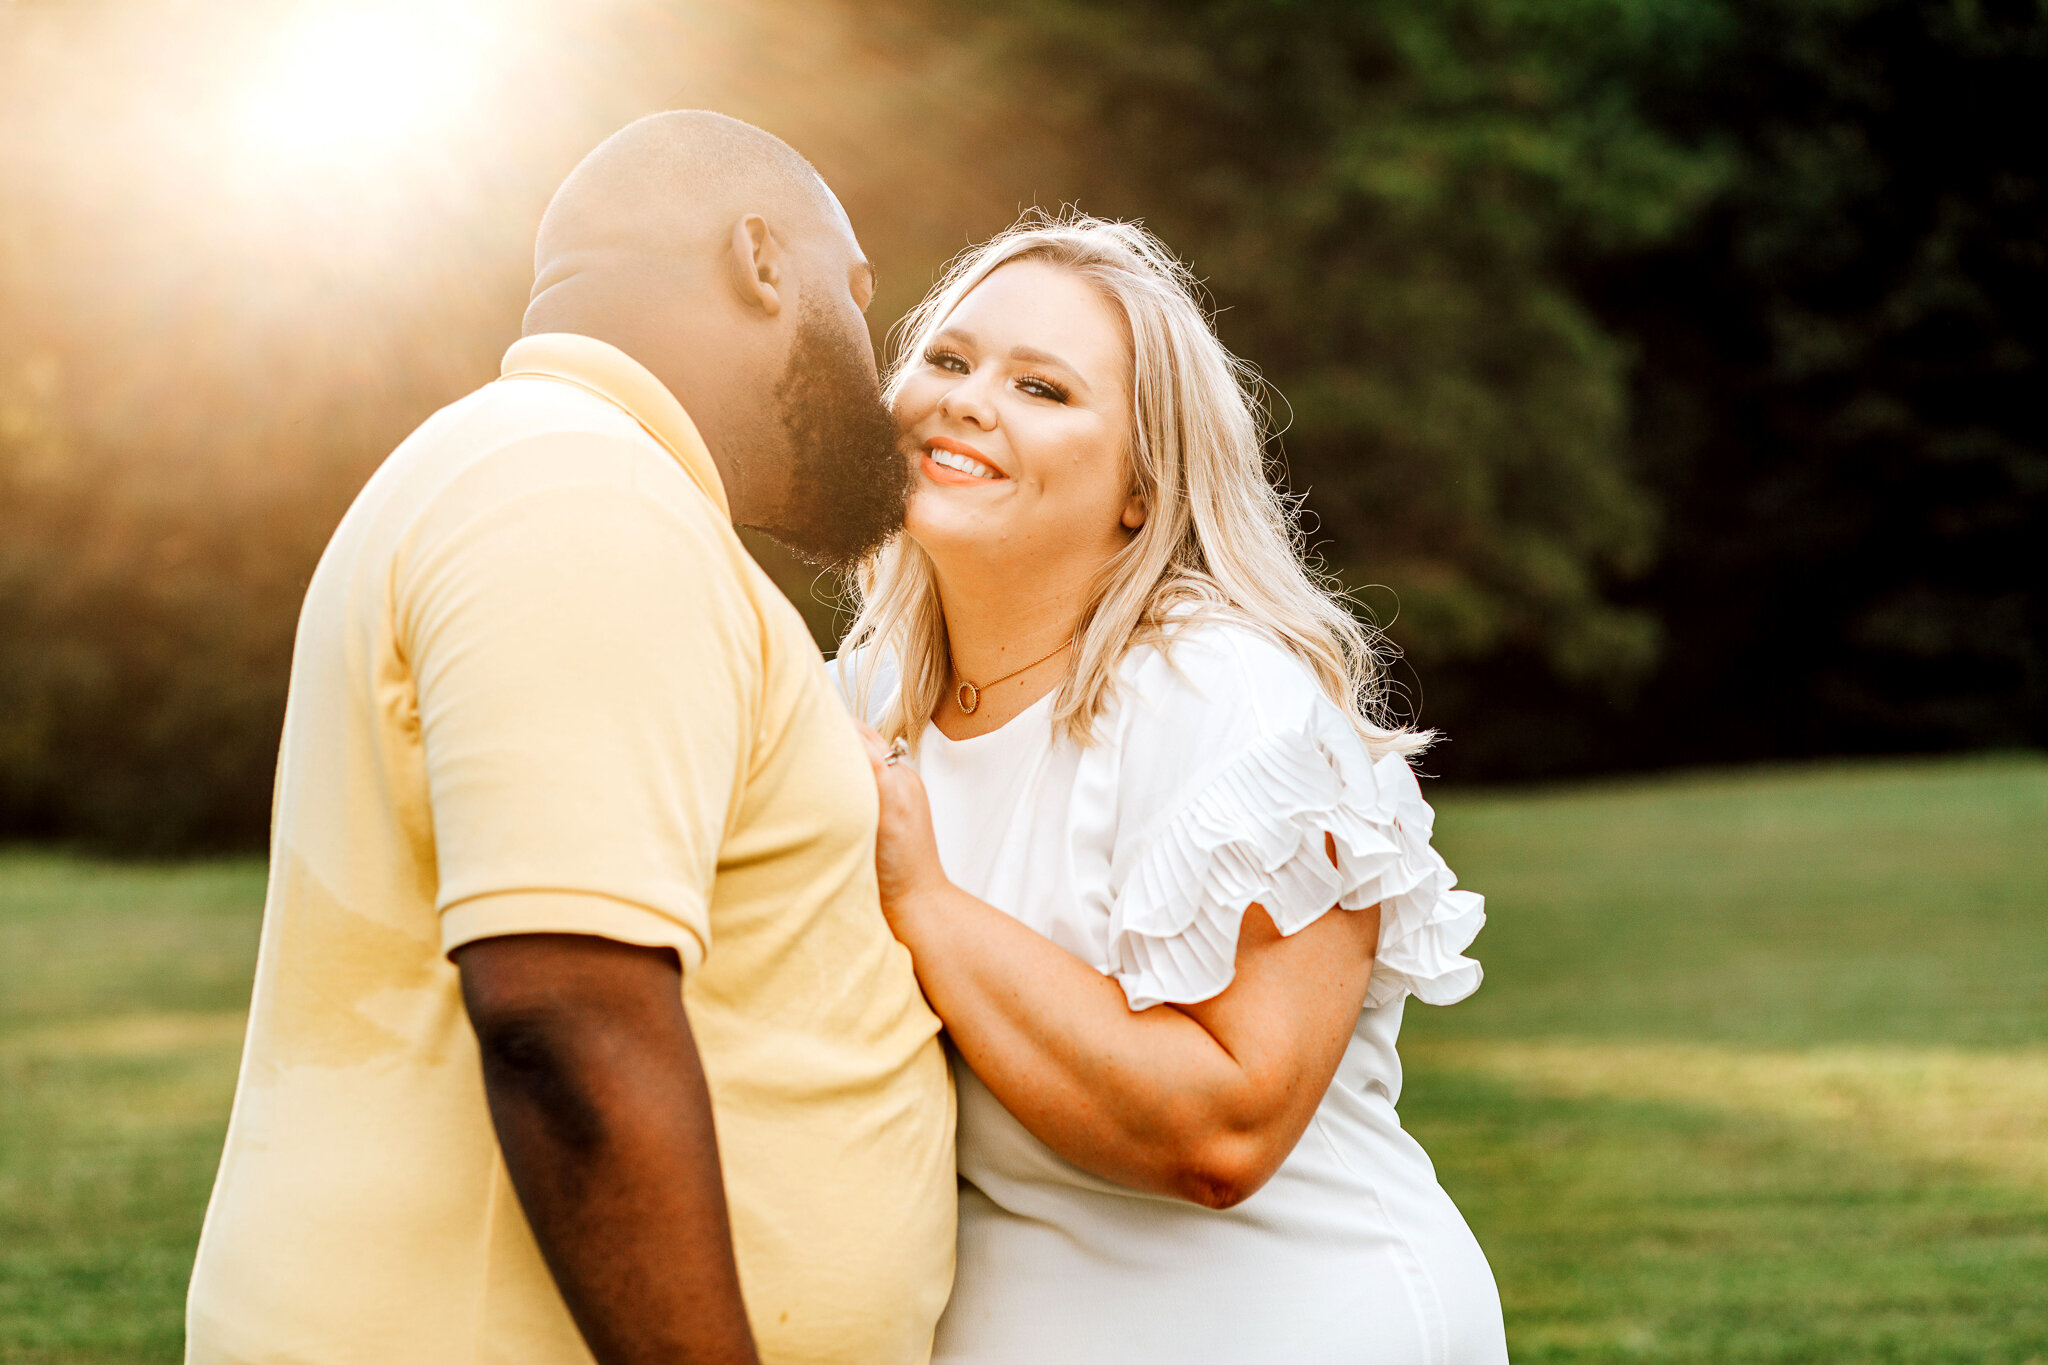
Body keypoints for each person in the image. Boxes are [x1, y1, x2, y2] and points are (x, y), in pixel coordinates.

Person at [185, 112, 956, 1365]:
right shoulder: (582, 497)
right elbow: (566, 1019)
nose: (880, 374)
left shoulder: (541, 476)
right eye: (855, 293)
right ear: (761, 261)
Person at [837, 212, 1509, 1365]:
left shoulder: (1225, 695)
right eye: (947, 360)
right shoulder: (866, 689)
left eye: (1041, 388)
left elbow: (1228, 1129)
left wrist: (927, 902)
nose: (964, 398)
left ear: (1140, 490)